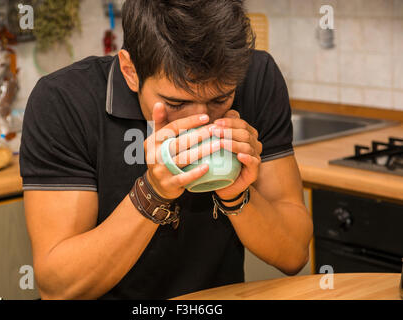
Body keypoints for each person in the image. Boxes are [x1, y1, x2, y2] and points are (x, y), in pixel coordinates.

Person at [19, 0, 313, 300]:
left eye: (220, 99)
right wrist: (152, 194)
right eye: (175, 104)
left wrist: (238, 195)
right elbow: (58, 288)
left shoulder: (256, 78)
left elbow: (294, 254)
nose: (200, 122)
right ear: (130, 71)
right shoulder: (64, 101)